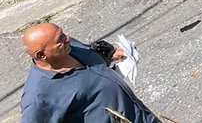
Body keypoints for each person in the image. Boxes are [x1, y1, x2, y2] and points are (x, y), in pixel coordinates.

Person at [20, 22, 160, 123]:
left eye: (63, 34)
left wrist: (111, 54)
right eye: (60, 39)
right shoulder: (38, 97)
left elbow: (92, 54)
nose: (67, 38)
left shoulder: (70, 47)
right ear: (41, 55)